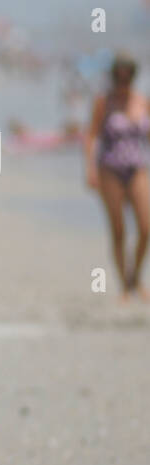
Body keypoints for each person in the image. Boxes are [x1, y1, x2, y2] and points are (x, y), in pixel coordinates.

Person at [85, 53, 150, 301]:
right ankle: (124, 285)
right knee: (119, 230)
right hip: (109, 168)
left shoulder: (142, 101)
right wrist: (90, 169)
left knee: (146, 227)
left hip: (137, 167)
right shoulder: (104, 102)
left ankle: (137, 278)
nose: (123, 82)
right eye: (118, 77)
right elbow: (91, 135)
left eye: (127, 77)